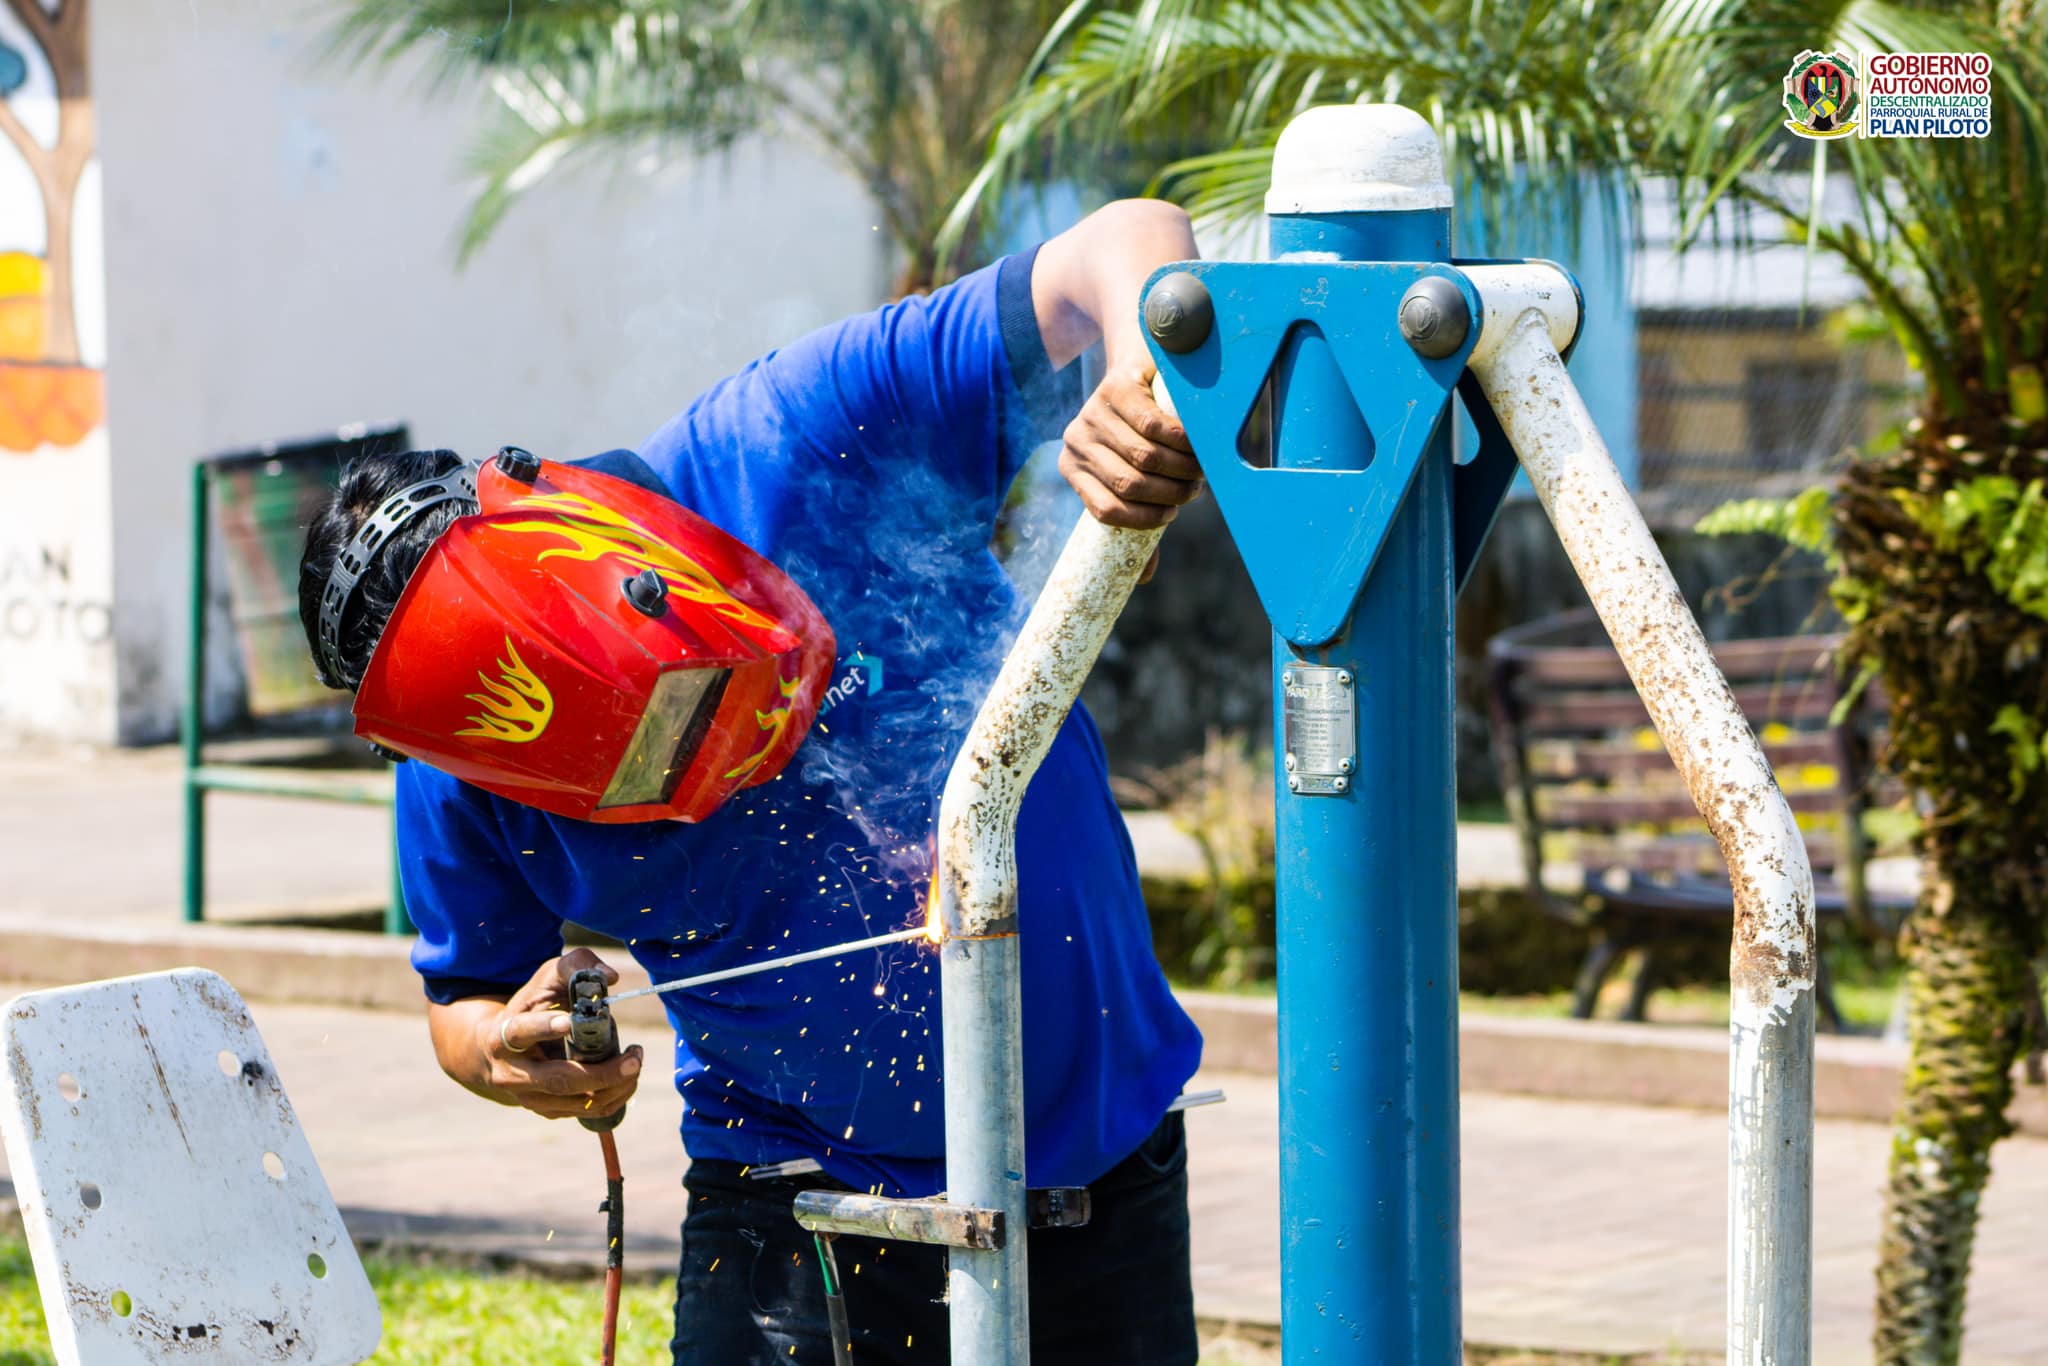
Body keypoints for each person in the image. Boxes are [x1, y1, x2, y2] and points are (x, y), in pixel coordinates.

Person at [297, 199, 1209, 1365]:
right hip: (785, 1193)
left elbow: (1125, 238)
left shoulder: (802, 436)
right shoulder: (459, 767)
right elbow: (463, 999)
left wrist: (1142, 375)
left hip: (1094, 1173)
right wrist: (508, 1050)